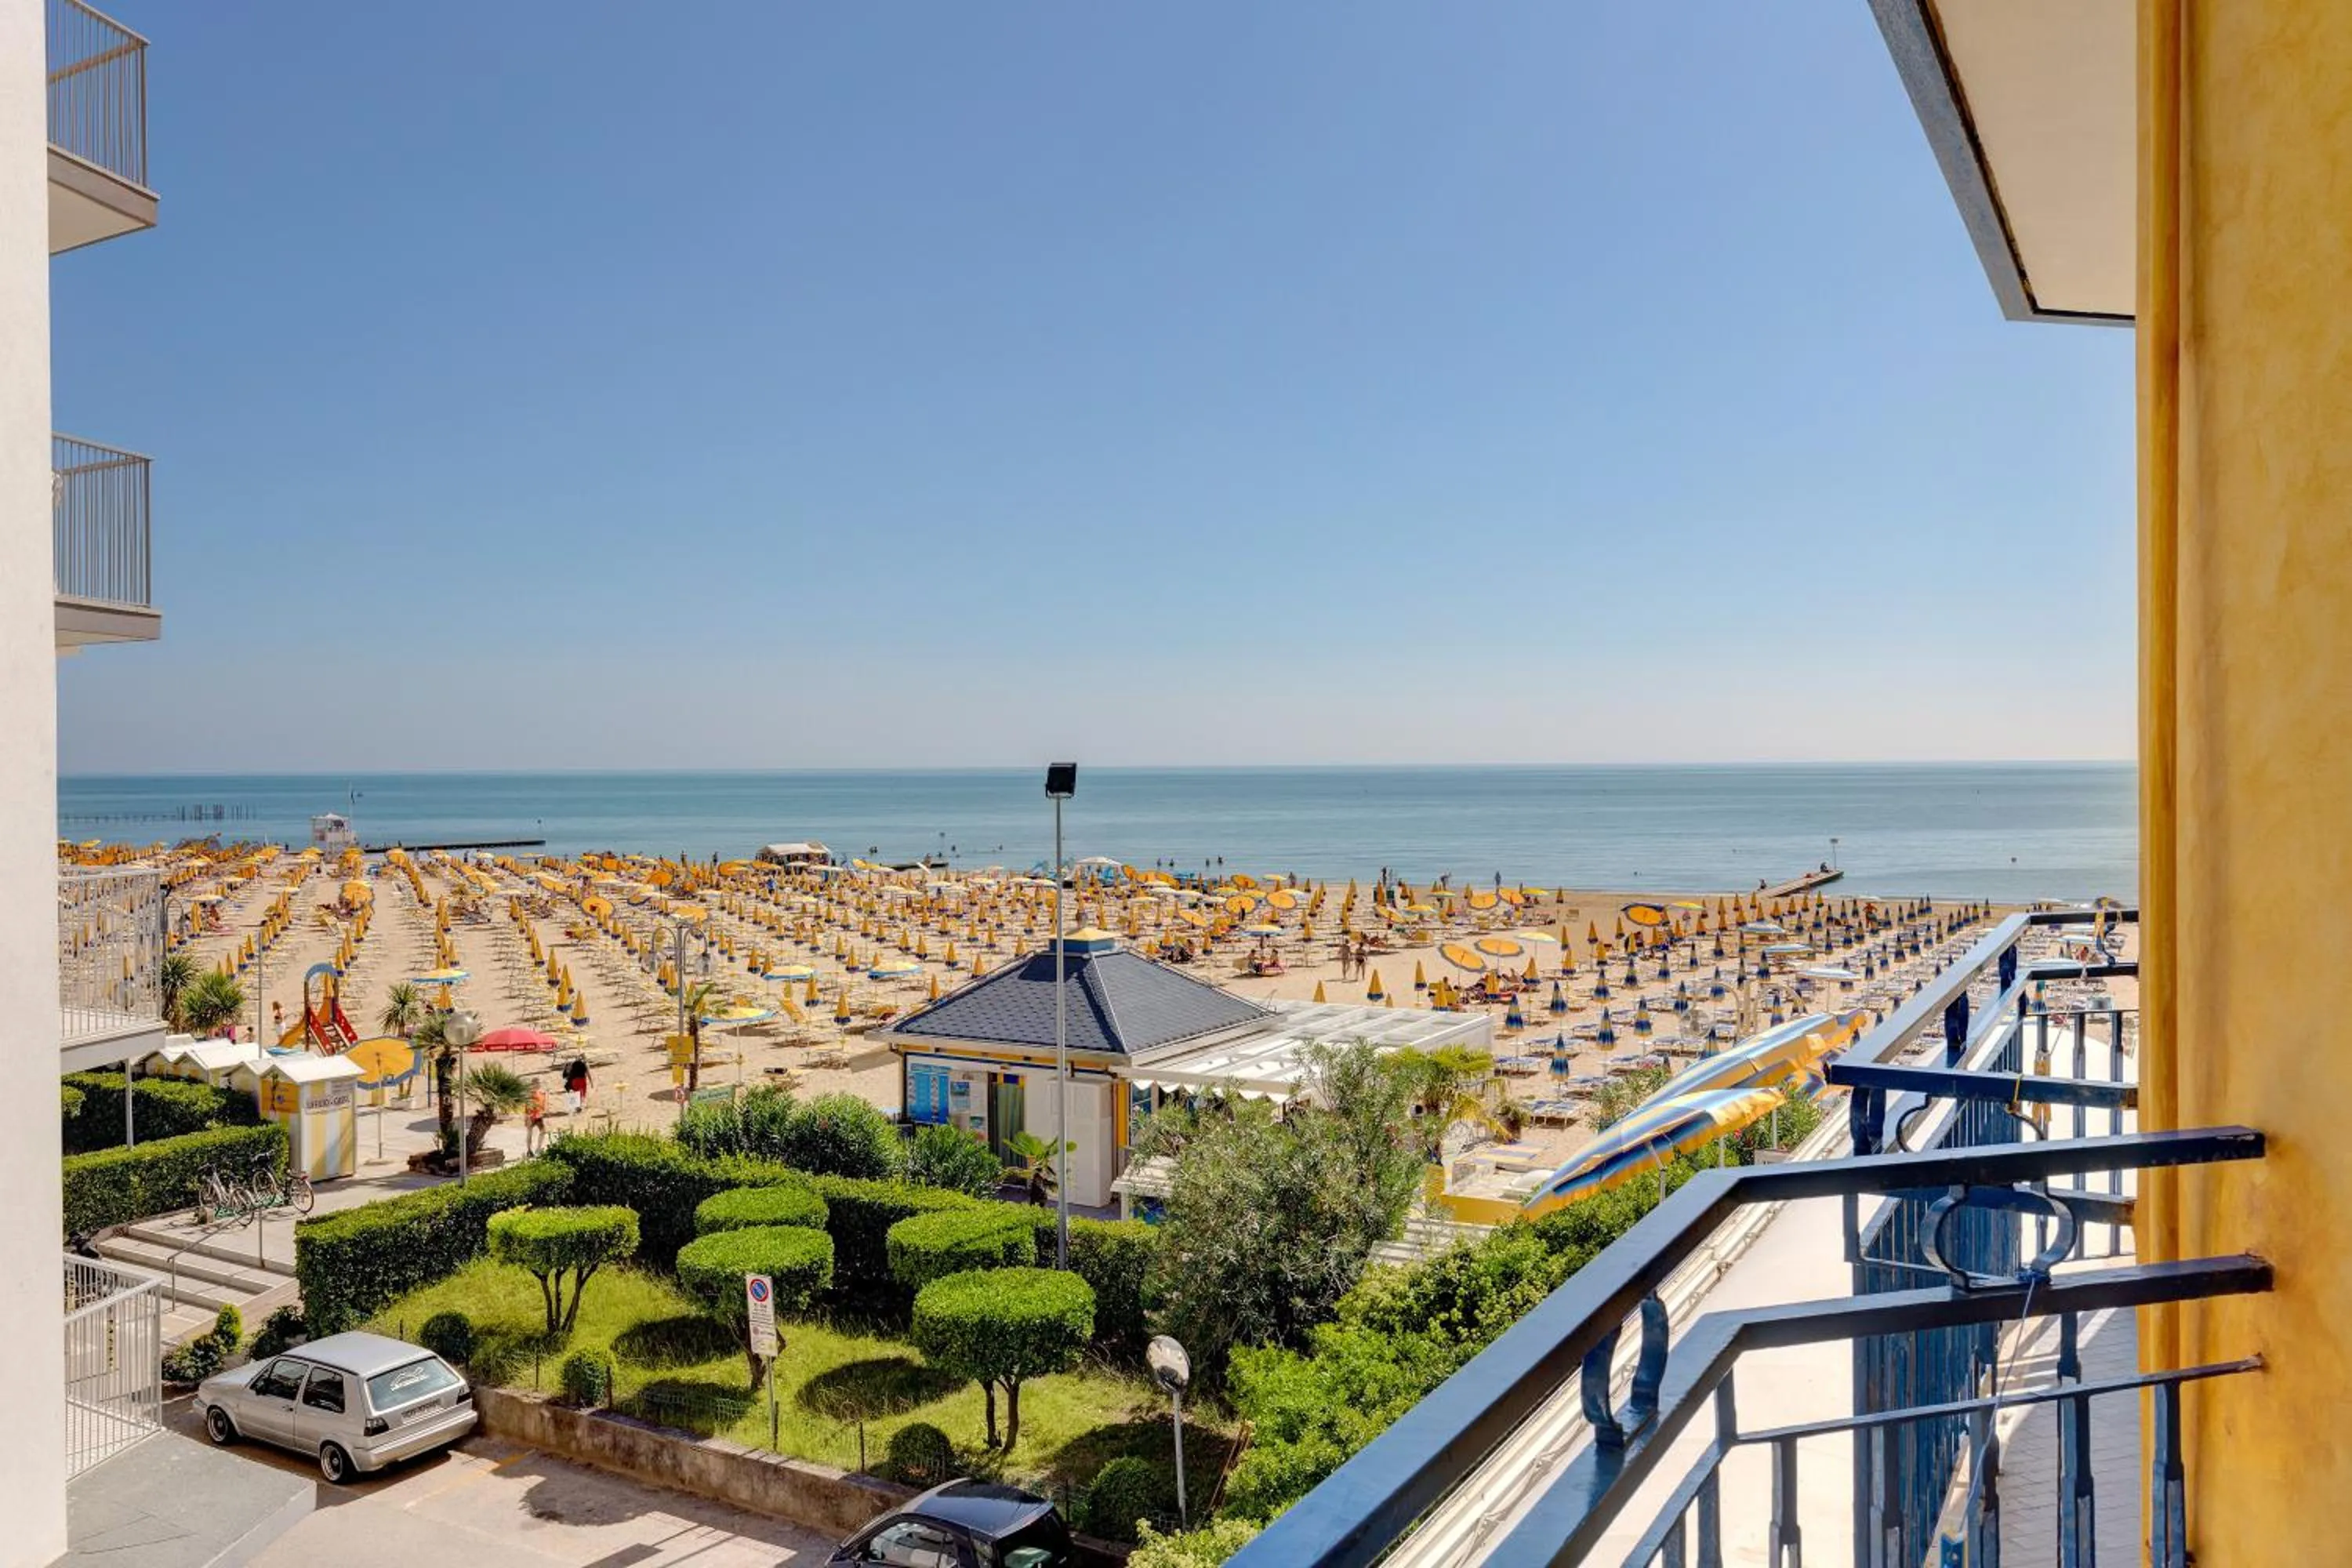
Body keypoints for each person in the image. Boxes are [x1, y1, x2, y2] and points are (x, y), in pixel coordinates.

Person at [525, 1082, 548, 1153]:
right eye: (538, 1084)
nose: (539, 1085)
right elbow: (532, 1105)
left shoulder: (534, 1094)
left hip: (534, 1115)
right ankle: (535, 1149)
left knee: (534, 1132)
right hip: (534, 1115)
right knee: (533, 1132)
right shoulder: (535, 1094)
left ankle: (531, 1149)